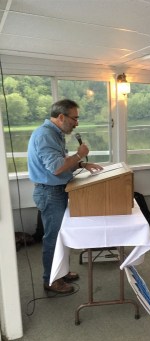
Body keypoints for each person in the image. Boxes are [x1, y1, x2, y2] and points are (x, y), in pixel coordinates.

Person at [28, 99, 103, 293]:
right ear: (61, 117)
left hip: (57, 190)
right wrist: (79, 155)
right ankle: (51, 280)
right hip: (50, 192)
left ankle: (61, 272)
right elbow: (56, 168)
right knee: (53, 238)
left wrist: (82, 164)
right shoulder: (45, 135)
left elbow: (62, 163)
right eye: (74, 118)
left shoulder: (55, 133)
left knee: (61, 236)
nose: (77, 123)